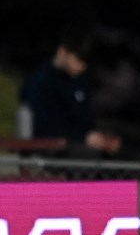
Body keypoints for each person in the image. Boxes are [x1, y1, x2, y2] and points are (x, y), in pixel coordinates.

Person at [19, 27, 121, 158]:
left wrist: (102, 138)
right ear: (62, 51)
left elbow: (86, 120)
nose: (82, 66)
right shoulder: (40, 82)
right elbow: (42, 126)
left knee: (121, 153)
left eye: (85, 62)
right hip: (53, 147)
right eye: (79, 59)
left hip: (77, 144)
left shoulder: (80, 81)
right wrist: (83, 137)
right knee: (90, 155)